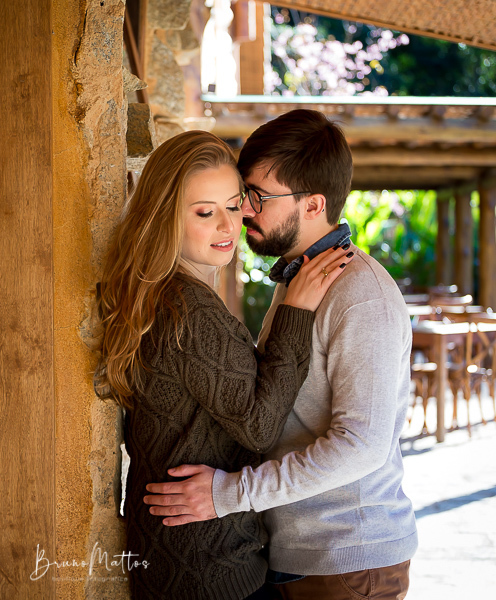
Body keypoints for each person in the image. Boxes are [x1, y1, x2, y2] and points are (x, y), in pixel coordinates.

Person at [143, 109, 418, 600]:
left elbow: (363, 444)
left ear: (314, 205)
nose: (244, 211)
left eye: (257, 197)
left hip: (347, 561)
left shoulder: (361, 294)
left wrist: (227, 494)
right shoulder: (301, 281)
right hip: (297, 554)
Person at [94, 129, 352, 599]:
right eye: (204, 212)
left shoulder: (162, 294)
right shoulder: (189, 310)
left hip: (177, 555)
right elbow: (257, 427)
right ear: (165, 215)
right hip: (210, 570)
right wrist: (296, 316)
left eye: (234, 206)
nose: (227, 226)